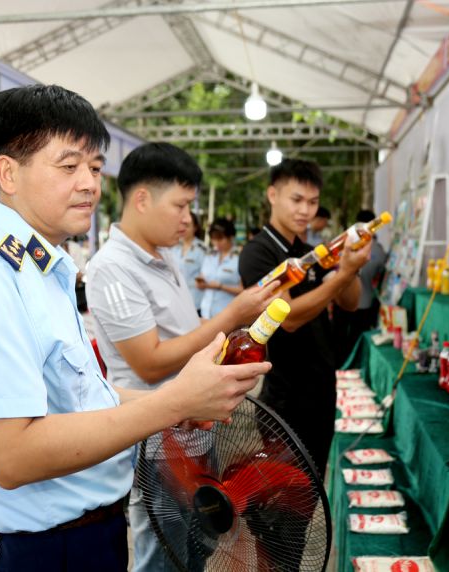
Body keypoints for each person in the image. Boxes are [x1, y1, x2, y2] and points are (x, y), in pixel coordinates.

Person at [0, 85, 270, 572]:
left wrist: (182, 403)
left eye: (96, 167)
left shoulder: (42, 269)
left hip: (89, 537)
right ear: (8, 172)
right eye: (68, 166)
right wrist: (173, 402)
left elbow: (84, 397)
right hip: (38, 552)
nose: (89, 184)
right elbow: (13, 454)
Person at [84, 142, 277, 572]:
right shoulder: (112, 268)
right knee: (161, 555)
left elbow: (188, 340)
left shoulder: (165, 256)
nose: (188, 219)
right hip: (155, 443)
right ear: (142, 198)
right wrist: (230, 316)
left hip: (194, 430)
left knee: (195, 546)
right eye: (181, 205)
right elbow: (149, 362)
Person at [238, 159, 370, 477]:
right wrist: (343, 274)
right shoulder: (258, 253)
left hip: (323, 390)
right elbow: (289, 318)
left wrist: (348, 266)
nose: (305, 211)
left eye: (312, 202)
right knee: (284, 501)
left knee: (311, 492)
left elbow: (351, 303)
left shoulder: (313, 251)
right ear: (272, 195)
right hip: (286, 399)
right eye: (296, 200)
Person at [332, 209, 388, 365]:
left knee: (340, 336)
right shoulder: (379, 250)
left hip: (342, 300)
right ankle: (355, 365)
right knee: (358, 339)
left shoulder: (346, 244)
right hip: (366, 302)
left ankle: (340, 365)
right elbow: (380, 276)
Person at [197, 218, 242, 319]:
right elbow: (203, 275)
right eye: (213, 239)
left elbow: (243, 290)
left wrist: (221, 286)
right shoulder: (209, 256)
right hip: (205, 313)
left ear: (230, 237)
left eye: (220, 238)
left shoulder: (239, 258)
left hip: (227, 316)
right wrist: (201, 283)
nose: (216, 242)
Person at [170, 212, 207, 314]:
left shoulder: (202, 249)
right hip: (175, 300)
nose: (183, 228)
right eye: (181, 225)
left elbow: (206, 275)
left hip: (194, 301)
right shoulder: (173, 247)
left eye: (187, 225)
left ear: (195, 227)